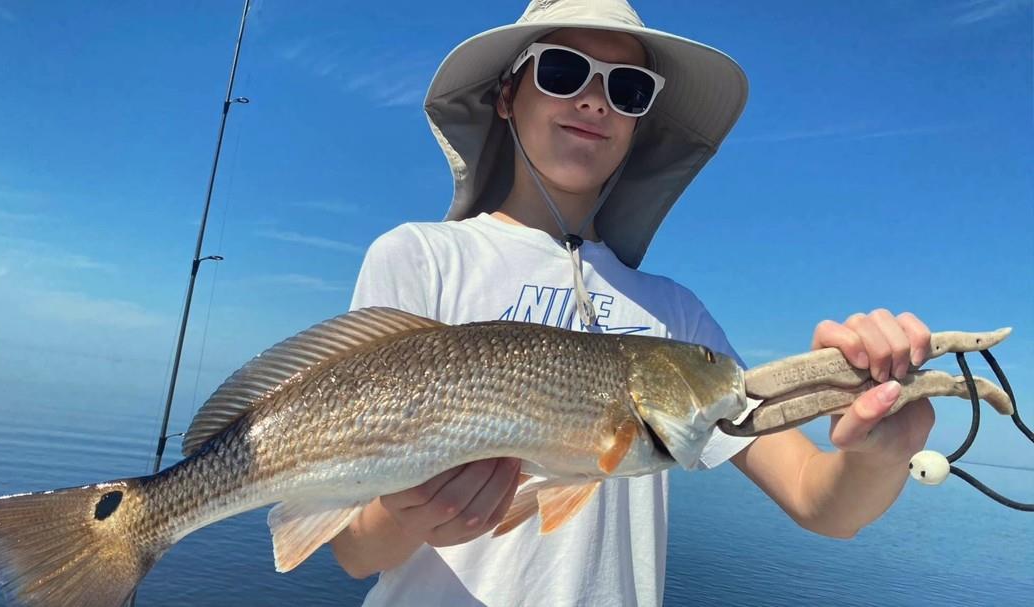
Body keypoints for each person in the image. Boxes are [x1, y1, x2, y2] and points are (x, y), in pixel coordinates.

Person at [330, 1, 936, 605]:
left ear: (639, 121)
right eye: (563, 72)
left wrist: (880, 453)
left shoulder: (677, 317)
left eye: (628, 88)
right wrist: (410, 516)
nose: (596, 101)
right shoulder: (420, 257)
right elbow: (353, 551)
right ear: (507, 95)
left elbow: (819, 502)